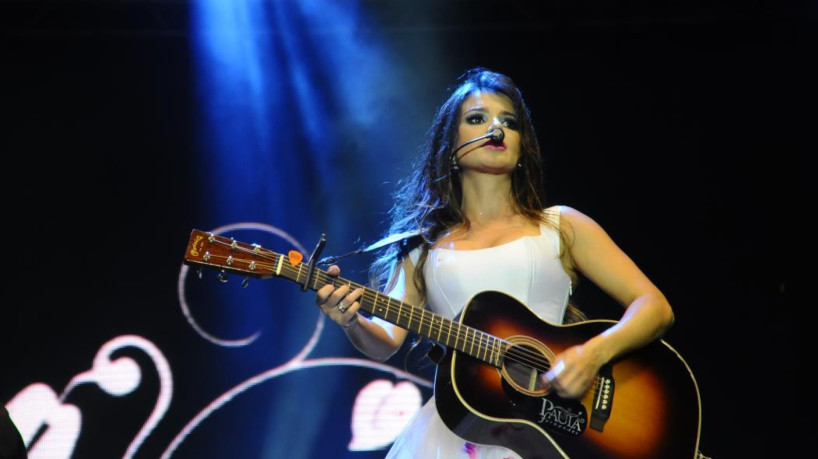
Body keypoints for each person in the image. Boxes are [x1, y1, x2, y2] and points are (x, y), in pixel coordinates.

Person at [315, 67, 675, 458]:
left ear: (523, 148)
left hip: (557, 426)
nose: (496, 128)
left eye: (509, 122)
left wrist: (592, 355)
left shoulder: (563, 226)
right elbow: (384, 341)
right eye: (477, 119)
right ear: (450, 146)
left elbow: (654, 307)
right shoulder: (423, 248)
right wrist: (351, 320)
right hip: (458, 432)